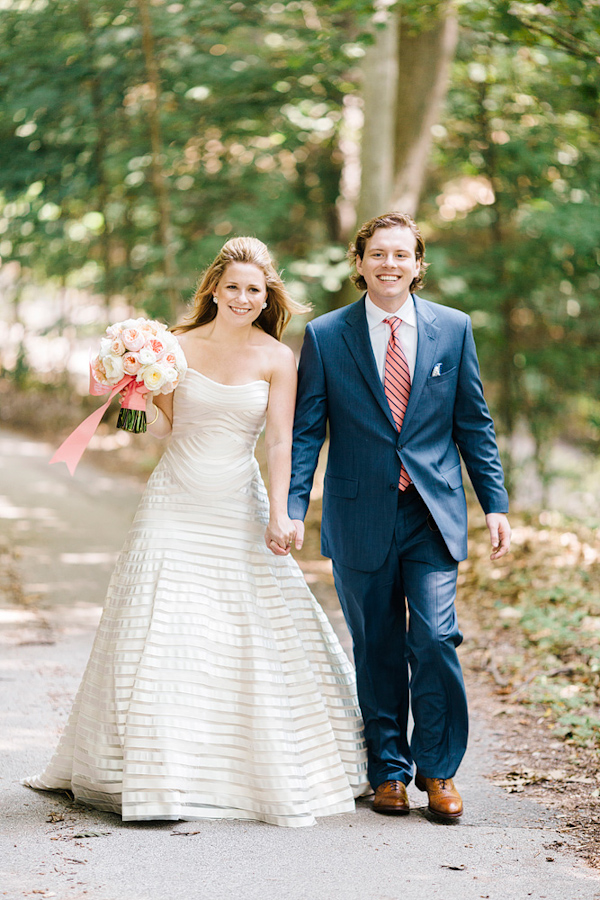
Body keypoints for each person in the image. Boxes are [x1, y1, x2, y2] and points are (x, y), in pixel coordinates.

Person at [23, 236, 368, 827]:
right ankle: (155, 778)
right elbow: (152, 429)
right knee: (160, 623)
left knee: (255, 625)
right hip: (174, 500)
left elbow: (283, 439)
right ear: (213, 289)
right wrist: (136, 385)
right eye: (231, 286)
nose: (241, 297)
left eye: (253, 290)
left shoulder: (276, 358)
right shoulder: (174, 348)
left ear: (267, 298)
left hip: (238, 501)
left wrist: (284, 510)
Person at [288, 212, 511, 820]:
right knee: (377, 643)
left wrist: (494, 503)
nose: (390, 264)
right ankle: (387, 770)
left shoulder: (453, 328)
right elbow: (308, 429)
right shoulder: (327, 335)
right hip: (359, 511)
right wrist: (293, 505)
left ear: (418, 265)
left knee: (435, 638)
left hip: (432, 512)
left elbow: (474, 424)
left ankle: (437, 771)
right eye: (377, 254)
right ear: (359, 263)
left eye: (401, 255)